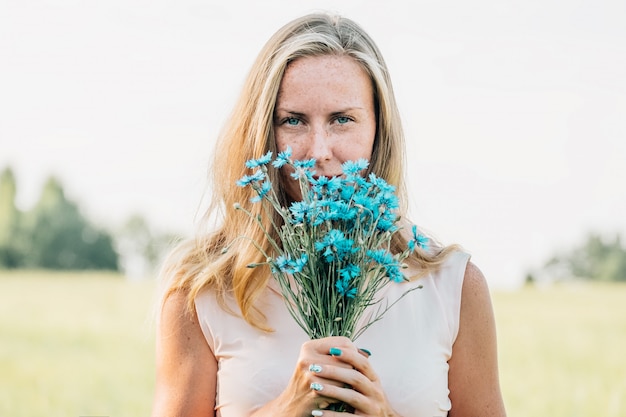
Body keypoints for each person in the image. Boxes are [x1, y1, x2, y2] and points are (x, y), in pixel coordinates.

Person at [151, 12, 507, 417]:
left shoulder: (453, 288)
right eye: (293, 121)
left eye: (342, 119)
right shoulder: (202, 290)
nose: (318, 150)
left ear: (378, 131)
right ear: (263, 131)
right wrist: (286, 409)